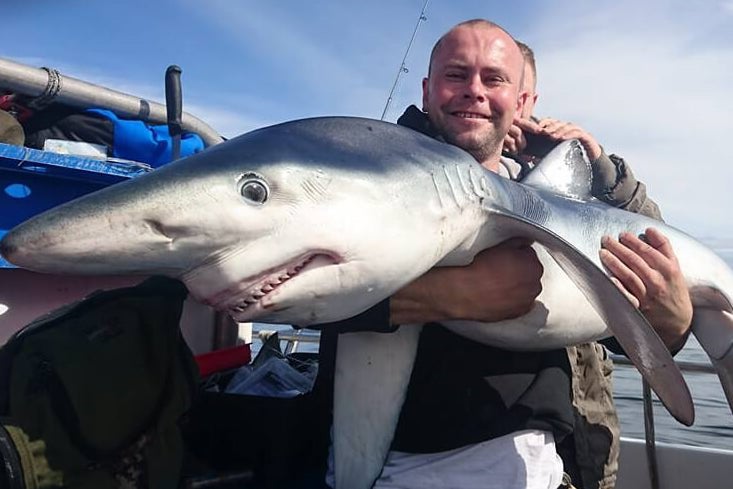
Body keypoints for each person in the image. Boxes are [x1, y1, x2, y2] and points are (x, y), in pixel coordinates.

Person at [313, 19, 692, 489]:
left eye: (494, 80)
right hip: (392, 467)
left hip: (551, 469)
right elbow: (280, 291)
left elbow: (616, 332)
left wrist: (670, 327)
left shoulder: (560, 206)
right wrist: (445, 295)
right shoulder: (365, 178)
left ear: (523, 102)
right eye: (456, 75)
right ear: (427, 92)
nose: (474, 91)